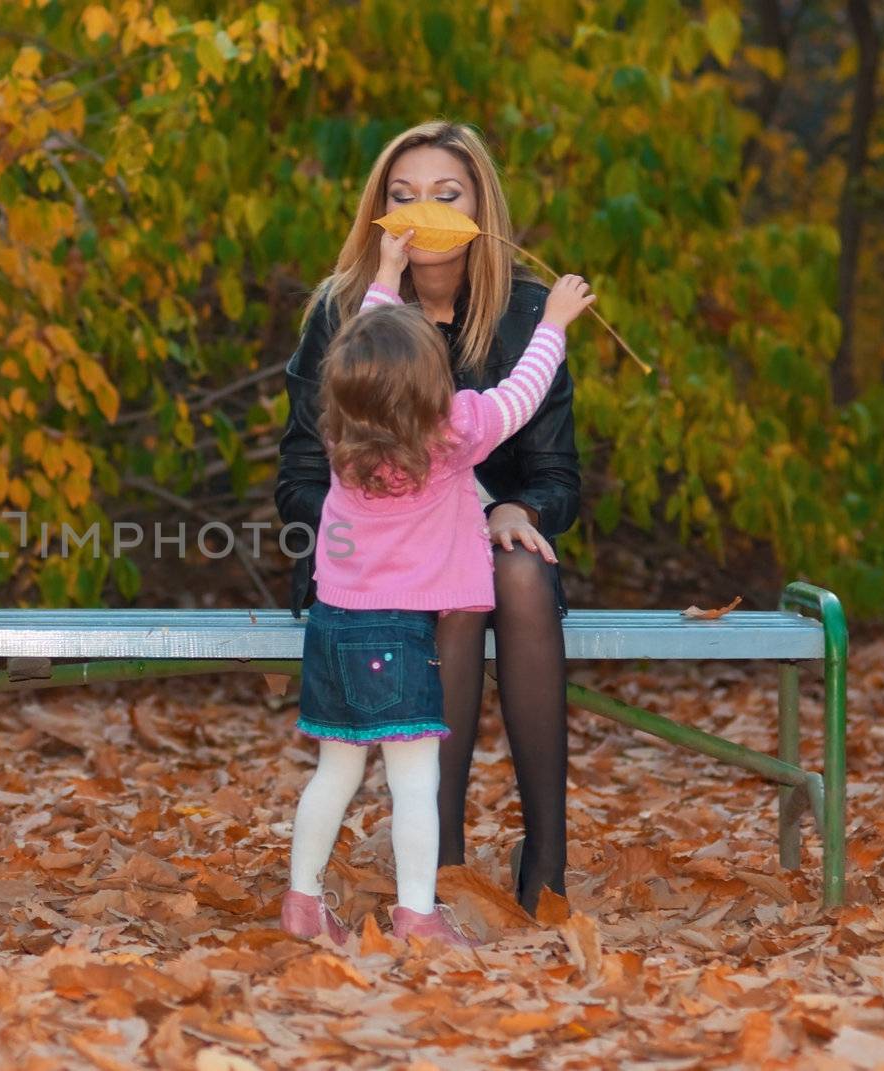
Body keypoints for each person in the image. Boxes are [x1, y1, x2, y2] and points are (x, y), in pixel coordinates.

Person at [276, 121, 582, 914]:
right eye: (403, 196)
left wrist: (517, 506)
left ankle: (545, 857)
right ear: (381, 213)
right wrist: (392, 528)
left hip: (491, 551)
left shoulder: (521, 311)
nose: (425, 212)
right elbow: (301, 476)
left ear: (480, 205)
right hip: (372, 572)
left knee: (514, 567)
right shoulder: (347, 314)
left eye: (446, 195)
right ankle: (439, 863)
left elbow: (557, 473)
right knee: (438, 587)